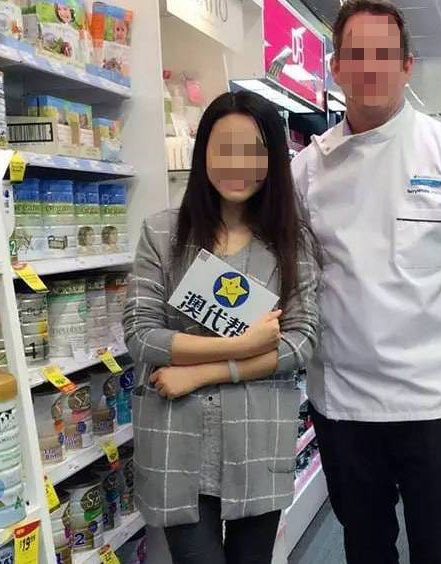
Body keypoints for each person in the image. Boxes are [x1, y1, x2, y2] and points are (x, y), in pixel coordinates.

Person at [290, 1, 441, 562]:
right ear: (335, 67)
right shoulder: (306, 171)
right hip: (344, 404)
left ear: (407, 65)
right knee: (365, 547)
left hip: (436, 404)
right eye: (356, 54)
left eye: (384, 54)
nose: (370, 67)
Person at [124, 91, 319, 564]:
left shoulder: (290, 241)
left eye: (253, 151)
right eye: (224, 148)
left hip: (257, 435)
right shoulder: (163, 233)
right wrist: (245, 343)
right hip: (176, 438)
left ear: (273, 159)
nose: (238, 164)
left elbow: (301, 341)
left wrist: (200, 372)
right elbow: (141, 334)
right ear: (202, 153)